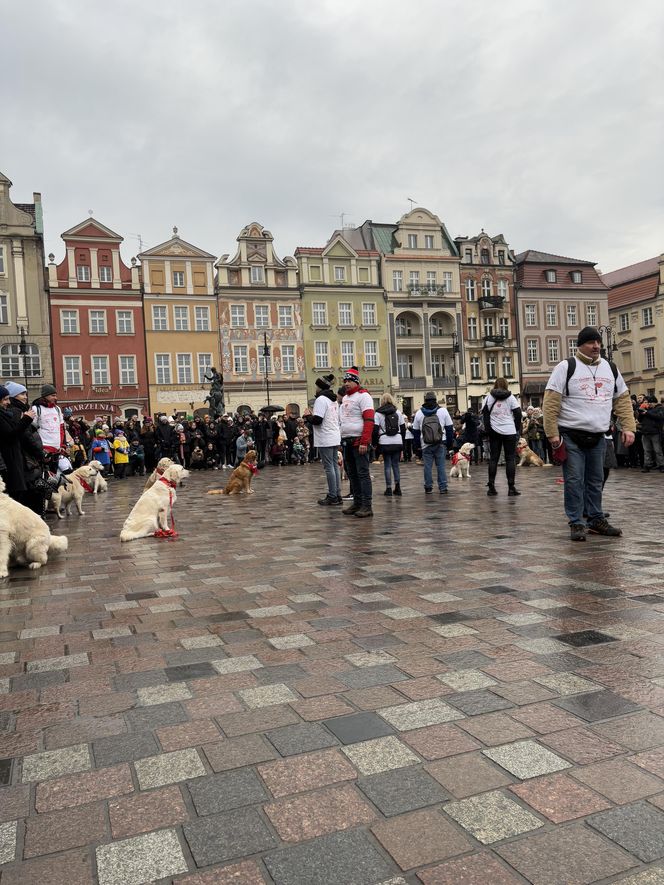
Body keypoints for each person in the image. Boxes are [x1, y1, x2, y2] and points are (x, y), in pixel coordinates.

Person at [543, 326, 636, 541]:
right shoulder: (566, 367)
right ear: (580, 345)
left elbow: (621, 399)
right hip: (571, 434)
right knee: (575, 480)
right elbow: (550, 402)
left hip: (598, 435)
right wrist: (552, 433)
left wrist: (628, 426)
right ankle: (576, 522)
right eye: (591, 342)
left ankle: (595, 519)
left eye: (598, 342)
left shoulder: (610, 368)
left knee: (595, 479)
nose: (596, 346)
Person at [339, 367, 375, 518]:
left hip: (358, 441)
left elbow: (369, 420)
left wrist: (364, 441)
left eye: (349, 381)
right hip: (347, 441)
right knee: (352, 474)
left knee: (362, 474)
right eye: (344, 381)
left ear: (356, 382)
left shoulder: (364, 396)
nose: (346, 383)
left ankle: (367, 505)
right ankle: (357, 502)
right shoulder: (346, 398)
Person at [481, 377, 522, 496]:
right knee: (510, 459)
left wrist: (489, 429)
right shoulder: (511, 397)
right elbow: (518, 413)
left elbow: (485, 415)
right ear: (506, 385)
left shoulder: (489, 398)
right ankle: (511, 487)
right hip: (509, 431)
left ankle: (491, 486)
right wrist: (515, 427)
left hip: (494, 431)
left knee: (493, 458)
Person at [305, 374, 342, 506]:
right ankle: (337, 494)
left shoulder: (321, 399)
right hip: (334, 435)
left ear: (320, 387)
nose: (315, 388)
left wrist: (308, 416)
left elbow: (318, 420)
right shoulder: (333, 399)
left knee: (329, 467)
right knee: (334, 466)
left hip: (325, 437)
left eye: (316, 386)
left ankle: (332, 495)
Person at [412, 392, 454, 495]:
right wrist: (449, 444)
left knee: (427, 466)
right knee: (440, 466)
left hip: (425, 444)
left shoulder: (419, 413)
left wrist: (417, 447)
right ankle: (443, 487)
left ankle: (428, 487)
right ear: (435, 400)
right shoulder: (443, 411)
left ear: (425, 400)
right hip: (441, 442)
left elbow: (416, 432)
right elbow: (449, 429)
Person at [374, 393, 405, 497]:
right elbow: (403, 428)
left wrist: (375, 443)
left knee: (387, 465)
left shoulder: (378, 413)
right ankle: (398, 487)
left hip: (385, 441)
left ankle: (388, 488)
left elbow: (375, 430)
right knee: (395, 465)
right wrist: (402, 441)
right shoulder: (398, 412)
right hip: (397, 440)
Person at [31, 383, 65, 471]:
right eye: (52, 395)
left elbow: (61, 428)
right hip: (44, 449)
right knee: (45, 476)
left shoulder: (57, 409)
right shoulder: (36, 408)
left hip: (57, 449)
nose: (55, 398)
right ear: (45, 396)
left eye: (55, 395)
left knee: (55, 475)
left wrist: (61, 445)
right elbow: (31, 430)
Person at [637, 396, 664, 473]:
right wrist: (641, 413)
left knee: (657, 450)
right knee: (646, 450)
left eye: (649, 402)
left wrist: (647, 413)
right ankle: (647, 465)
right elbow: (639, 420)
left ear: (654, 402)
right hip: (645, 432)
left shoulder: (659, 408)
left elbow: (660, 417)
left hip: (655, 433)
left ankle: (661, 465)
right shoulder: (646, 409)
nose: (648, 404)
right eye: (647, 402)